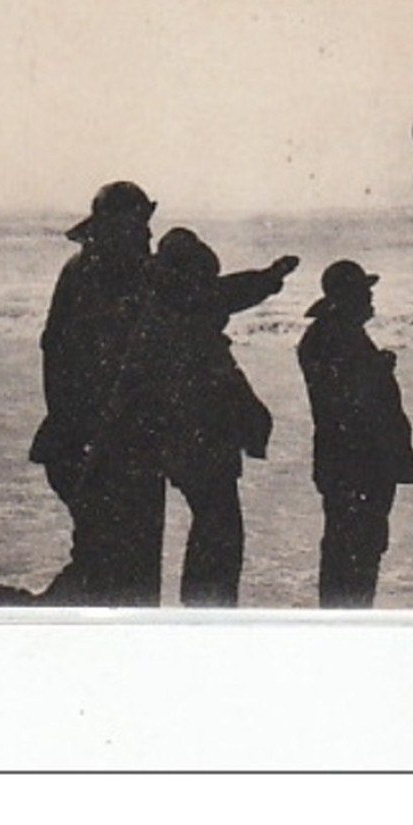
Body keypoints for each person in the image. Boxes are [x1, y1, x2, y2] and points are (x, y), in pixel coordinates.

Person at [30, 181, 297, 605]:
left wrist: (266, 280)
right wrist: (265, 281)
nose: (148, 236)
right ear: (118, 226)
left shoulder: (98, 272)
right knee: (115, 566)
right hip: (103, 440)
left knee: (111, 561)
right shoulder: (118, 277)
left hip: (111, 437)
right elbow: (205, 298)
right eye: (141, 227)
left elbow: (204, 296)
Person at [95, 229, 272, 607]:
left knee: (212, 525)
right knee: (219, 529)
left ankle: (202, 610)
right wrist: (269, 280)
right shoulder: (184, 317)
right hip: (199, 441)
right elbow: (225, 296)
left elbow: (226, 292)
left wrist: (270, 278)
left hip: (177, 440)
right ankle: (207, 614)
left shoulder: (162, 303)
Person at [297, 259, 413, 608]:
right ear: (348, 297)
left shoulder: (334, 333)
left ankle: (344, 621)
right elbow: (344, 400)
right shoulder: (334, 336)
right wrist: (378, 369)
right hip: (357, 463)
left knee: (352, 548)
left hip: (349, 461)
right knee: (356, 551)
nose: (370, 297)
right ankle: (348, 624)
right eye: (364, 291)